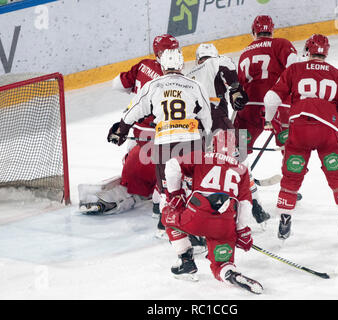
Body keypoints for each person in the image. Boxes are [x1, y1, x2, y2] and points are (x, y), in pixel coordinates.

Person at [263, 34, 338, 240]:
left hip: (299, 130)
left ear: (307, 50)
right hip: (327, 130)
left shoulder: (295, 70)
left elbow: (271, 98)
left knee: (291, 176)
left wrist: (269, 120)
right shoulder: (337, 74)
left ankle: (285, 221)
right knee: (337, 175)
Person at [107, 48, 213, 234]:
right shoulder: (194, 85)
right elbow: (206, 118)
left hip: (166, 143)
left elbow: (133, 113)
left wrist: (121, 131)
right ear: (181, 65)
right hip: (191, 142)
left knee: (166, 189)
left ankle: (167, 227)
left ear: (163, 66)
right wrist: (205, 137)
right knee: (194, 185)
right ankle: (196, 228)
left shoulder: (152, 86)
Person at [78, 34, 179, 216]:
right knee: (175, 169)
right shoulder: (180, 82)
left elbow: (118, 84)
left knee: (133, 170)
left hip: (138, 141)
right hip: (163, 144)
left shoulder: (144, 65)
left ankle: (133, 192)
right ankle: (157, 197)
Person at [161, 130, 263, 294]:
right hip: (224, 225)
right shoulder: (242, 169)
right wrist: (242, 230)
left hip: (196, 217)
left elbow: (172, 164)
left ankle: (186, 261)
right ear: (234, 149)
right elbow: (245, 203)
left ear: (212, 145)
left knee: (168, 215)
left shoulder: (201, 157)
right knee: (221, 263)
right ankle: (230, 274)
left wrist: (174, 194)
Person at [186, 43, 270, 225]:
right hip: (218, 121)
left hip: (194, 128)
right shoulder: (217, 61)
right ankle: (255, 206)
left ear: (197, 58)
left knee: (201, 172)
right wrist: (236, 92)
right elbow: (229, 73)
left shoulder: (188, 76)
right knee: (238, 165)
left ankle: (202, 215)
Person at [235, 15, 297, 154]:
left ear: (253, 32)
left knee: (238, 148)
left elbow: (239, 86)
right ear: (272, 30)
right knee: (291, 149)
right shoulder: (281, 43)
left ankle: (240, 174)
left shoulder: (244, 53)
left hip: (250, 108)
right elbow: (295, 68)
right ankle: (293, 174)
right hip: (279, 105)